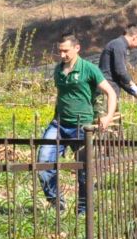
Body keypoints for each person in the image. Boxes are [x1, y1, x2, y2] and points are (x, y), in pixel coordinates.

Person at [38, 34, 118, 214]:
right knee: (43, 163)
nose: (62, 55)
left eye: (66, 51)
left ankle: (83, 210)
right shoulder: (58, 70)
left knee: (84, 172)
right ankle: (57, 202)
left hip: (83, 127)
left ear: (77, 48)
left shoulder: (89, 69)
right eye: (60, 51)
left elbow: (110, 93)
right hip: (59, 124)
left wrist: (107, 116)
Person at [97, 23, 137, 110]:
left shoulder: (120, 45)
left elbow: (120, 78)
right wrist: (132, 84)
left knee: (114, 122)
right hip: (106, 91)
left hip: (112, 92)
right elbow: (120, 71)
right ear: (135, 37)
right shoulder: (118, 45)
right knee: (105, 121)